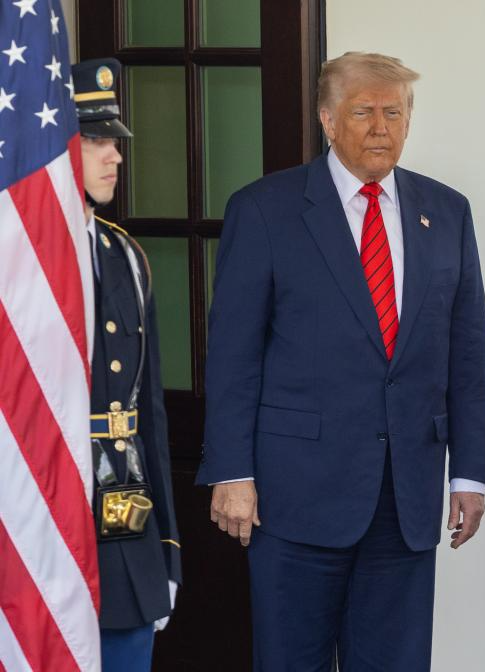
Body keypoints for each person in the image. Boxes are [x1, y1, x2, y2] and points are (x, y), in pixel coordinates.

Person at [196, 52, 485, 671]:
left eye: (394, 112)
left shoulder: (448, 212)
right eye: (363, 112)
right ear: (327, 120)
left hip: (405, 497)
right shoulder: (265, 209)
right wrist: (231, 470)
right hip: (293, 497)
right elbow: (233, 355)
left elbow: (467, 352)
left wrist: (468, 474)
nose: (381, 127)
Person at [73, 57, 181, 671]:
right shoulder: (14, 259)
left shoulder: (125, 255)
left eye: (114, 140)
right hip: (41, 524)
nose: (115, 154)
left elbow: (148, 416)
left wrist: (165, 547)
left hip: (124, 528)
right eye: (94, 140)